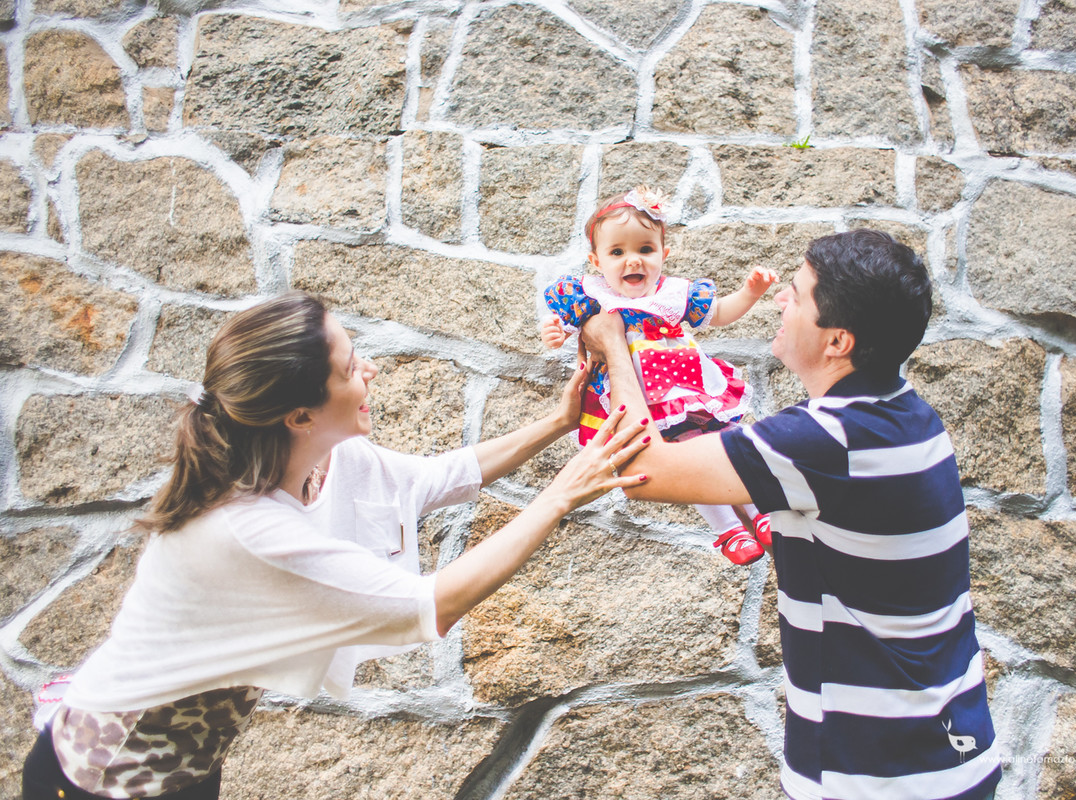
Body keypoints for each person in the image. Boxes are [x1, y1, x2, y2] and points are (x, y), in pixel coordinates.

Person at [22, 291, 649, 800]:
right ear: (299, 415)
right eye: (351, 366)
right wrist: (560, 495)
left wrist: (561, 424)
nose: (369, 370)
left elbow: (438, 478)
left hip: (188, 766)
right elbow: (438, 603)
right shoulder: (249, 530)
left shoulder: (327, 459)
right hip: (105, 775)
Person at [580, 230, 1001, 799]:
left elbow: (641, 469)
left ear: (838, 342)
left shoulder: (825, 441)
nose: (781, 300)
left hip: (875, 774)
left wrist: (614, 340)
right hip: (955, 749)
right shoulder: (908, 414)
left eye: (798, 295)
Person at [541, 185, 779, 566]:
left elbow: (717, 313)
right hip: (637, 399)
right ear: (596, 260)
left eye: (645, 250)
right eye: (617, 252)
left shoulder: (674, 293)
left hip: (685, 386)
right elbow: (563, 326)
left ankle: (760, 512)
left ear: (663, 254)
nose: (632, 261)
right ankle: (729, 530)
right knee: (683, 463)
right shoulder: (592, 295)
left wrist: (749, 293)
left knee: (723, 443)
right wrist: (554, 333)